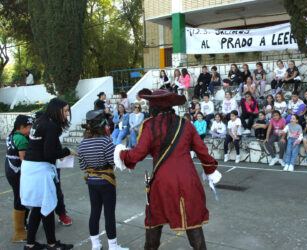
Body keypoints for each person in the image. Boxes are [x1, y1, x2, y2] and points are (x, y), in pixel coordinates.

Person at [115, 89, 220, 250]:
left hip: (162, 182)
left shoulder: (149, 125)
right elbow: (203, 152)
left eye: (151, 104)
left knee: (154, 222)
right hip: (188, 180)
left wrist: (121, 154)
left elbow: (138, 154)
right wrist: (210, 169)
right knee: (192, 223)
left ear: (155, 107)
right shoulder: (186, 124)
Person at [21, 98, 77, 250]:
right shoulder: (51, 125)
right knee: (47, 206)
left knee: (38, 207)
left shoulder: (40, 121)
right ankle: (52, 244)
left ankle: (30, 244)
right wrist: (67, 151)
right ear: (56, 110)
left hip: (31, 167)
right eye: (65, 111)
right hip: (39, 170)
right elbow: (49, 153)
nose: (67, 114)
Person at [78, 110, 128, 250]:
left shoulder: (82, 143)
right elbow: (113, 162)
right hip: (106, 181)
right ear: (102, 126)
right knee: (109, 213)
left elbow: (83, 165)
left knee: (94, 212)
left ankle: (95, 244)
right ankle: (113, 246)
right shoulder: (105, 141)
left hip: (91, 181)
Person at [5, 115, 33, 243]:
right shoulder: (21, 139)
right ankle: (20, 232)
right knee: (21, 199)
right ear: (21, 127)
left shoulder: (12, 136)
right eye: (29, 127)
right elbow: (24, 159)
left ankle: (22, 226)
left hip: (10, 171)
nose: (31, 130)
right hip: (17, 173)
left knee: (19, 197)